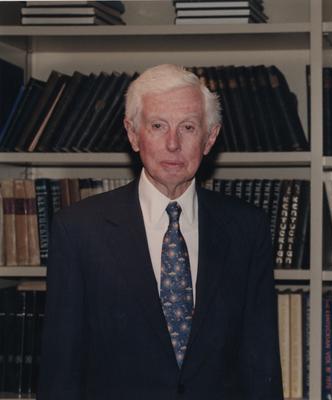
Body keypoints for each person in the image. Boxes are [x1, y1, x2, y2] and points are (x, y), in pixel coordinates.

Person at [38, 64, 283, 399]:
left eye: (188, 127)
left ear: (209, 138)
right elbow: (60, 372)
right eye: (157, 126)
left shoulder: (247, 229)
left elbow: (261, 364)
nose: (172, 144)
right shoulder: (78, 230)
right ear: (133, 133)